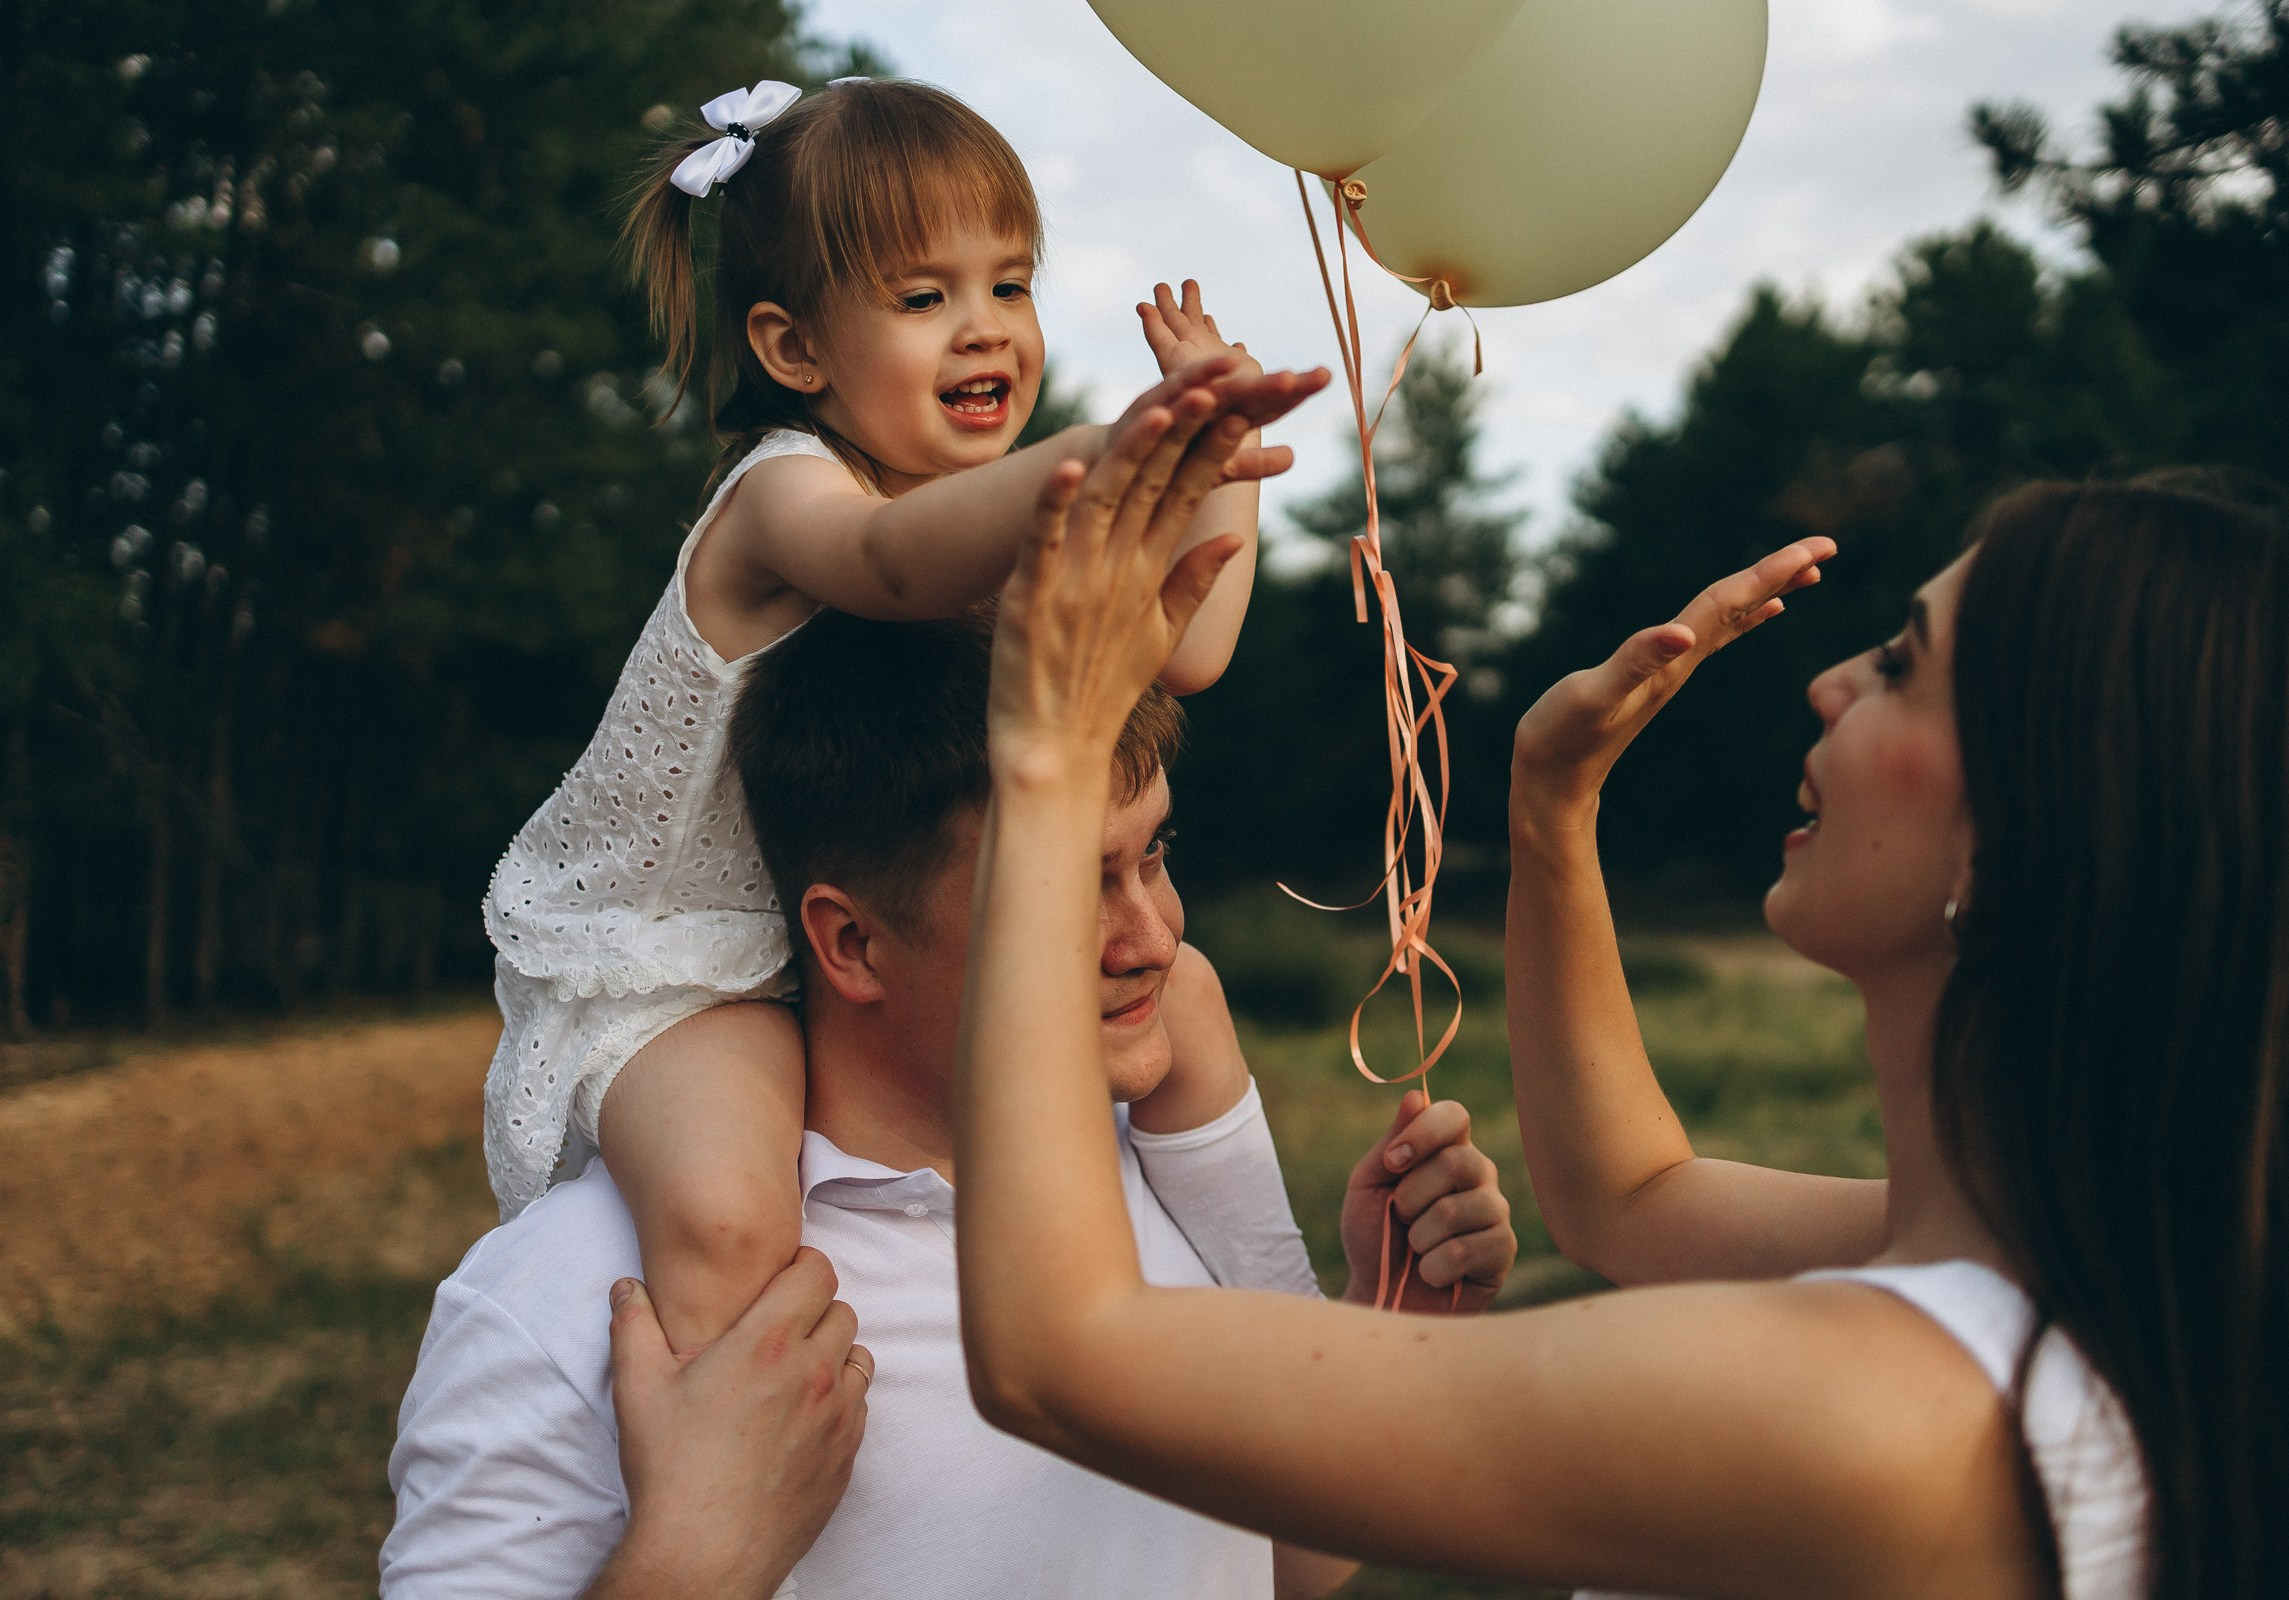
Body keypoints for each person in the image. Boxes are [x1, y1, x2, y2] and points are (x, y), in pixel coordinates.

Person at [946, 464, 2289, 1598]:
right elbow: (1630, 1201)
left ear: (2021, 834)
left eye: (1901, 665)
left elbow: (1062, 1353)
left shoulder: (1876, 1413)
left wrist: (1053, 761)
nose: (1829, 682)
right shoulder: (2118, 1264)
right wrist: (1550, 800)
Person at [385, 398, 1520, 1598]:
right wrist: (692, 1561)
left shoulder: (1163, 1167)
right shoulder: (582, 1302)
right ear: (852, 941)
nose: (1155, 939)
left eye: (1155, 854)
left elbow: (1262, 1563)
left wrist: (1397, 1323)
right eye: (1070, 886)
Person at [476, 71, 1330, 1358]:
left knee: (1193, 996)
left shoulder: (975, 519)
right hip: (669, 966)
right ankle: (724, 1438)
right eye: (925, 299)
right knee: (725, 1209)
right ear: (794, 350)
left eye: (1011, 285)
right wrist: (1100, 453)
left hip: (846, 934)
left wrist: (1227, 464)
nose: (984, 330)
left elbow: (1188, 649)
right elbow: (889, 564)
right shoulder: (784, 498)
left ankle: (1285, 1321)